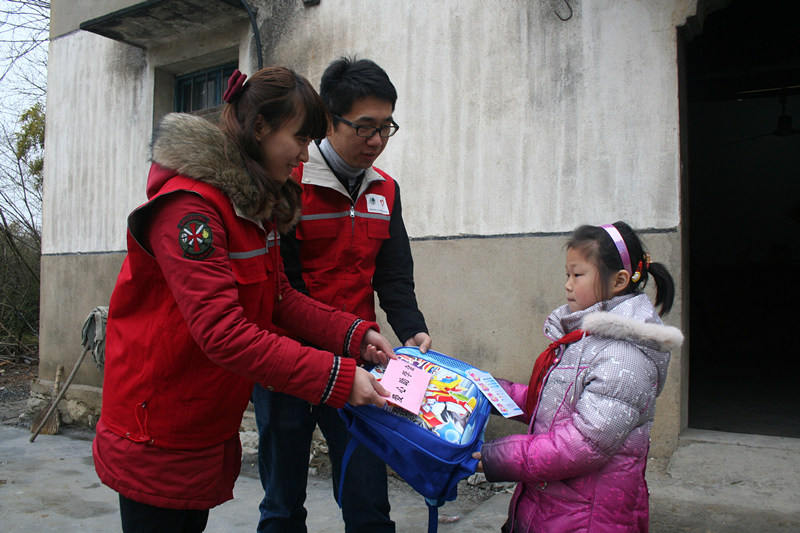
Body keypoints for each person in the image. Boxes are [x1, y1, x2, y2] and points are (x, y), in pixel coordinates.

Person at [92, 66, 396, 533]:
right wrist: (336, 376)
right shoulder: (190, 208)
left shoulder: (251, 207)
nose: (304, 154)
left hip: (205, 419)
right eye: (299, 138)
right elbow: (223, 333)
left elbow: (278, 298)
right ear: (259, 128)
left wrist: (355, 335)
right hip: (156, 427)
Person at [251, 57, 431, 533]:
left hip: (358, 364)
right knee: (282, 502)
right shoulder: (288, 185)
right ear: (329, 121)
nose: (376, 140)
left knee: (368, 500)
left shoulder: (386, 190)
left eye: (386, 127)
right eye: (364, 127)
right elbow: (282, 289)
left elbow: (393, 275)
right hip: (288, 364)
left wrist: (412, 329)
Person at [474, 221, 684, 533]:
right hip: (552, 507)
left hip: (587, 519)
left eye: (577, 275)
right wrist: (486, 391)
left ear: (619, 280)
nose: (568, 285)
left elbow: (583, 445)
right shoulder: (587, 340)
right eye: (567, 275)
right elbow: (549, 404)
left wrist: (500, 458)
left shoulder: (624, 358)